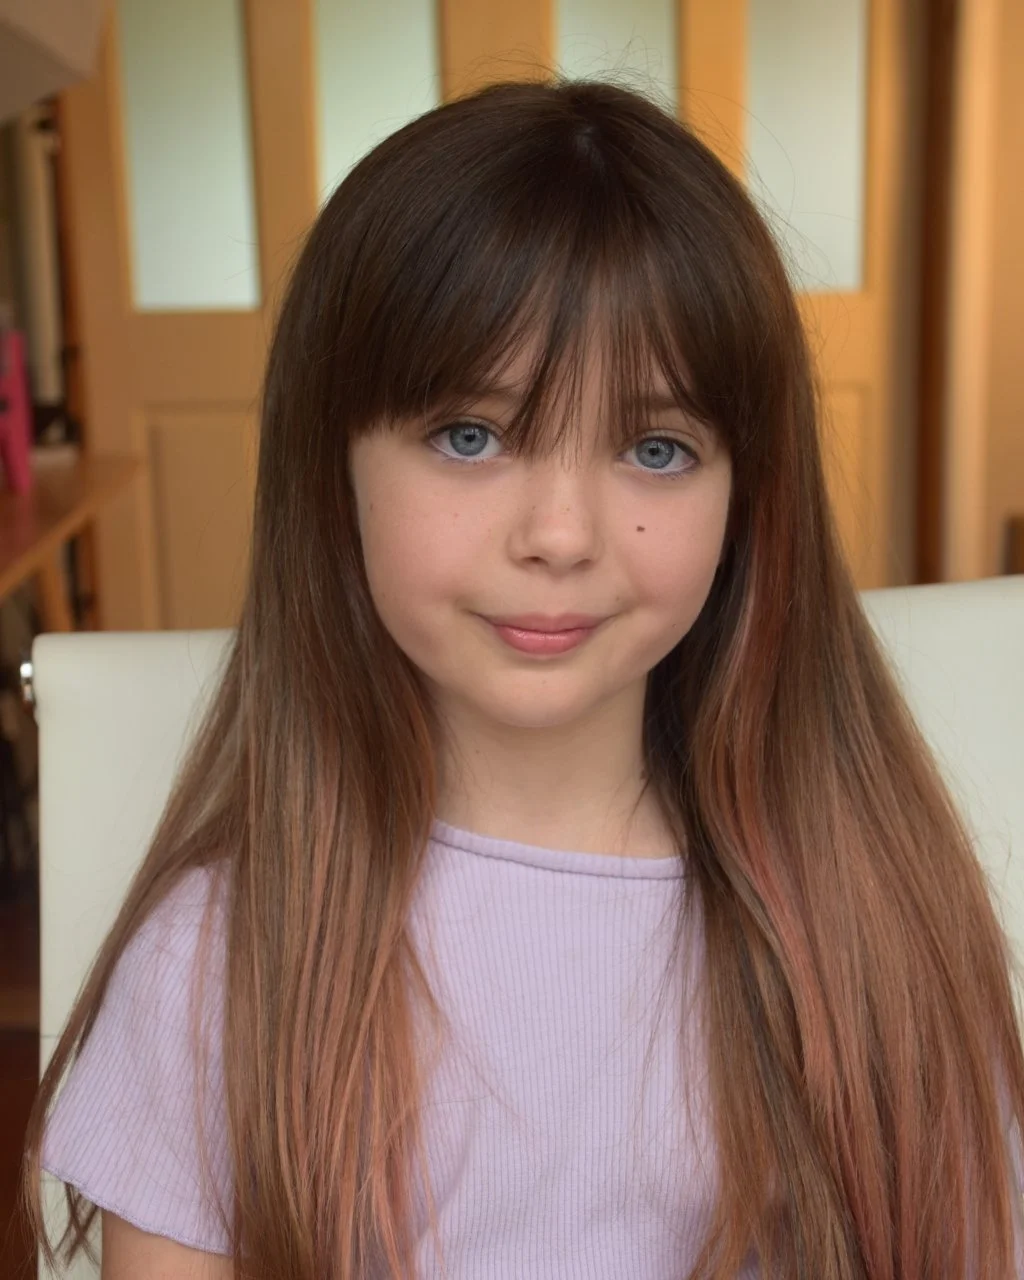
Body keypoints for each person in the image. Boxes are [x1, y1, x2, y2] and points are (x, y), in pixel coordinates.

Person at [21, 78, 1024, 1280]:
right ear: (330, 469)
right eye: (473, 435)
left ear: (744, 499)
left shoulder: (868, 912)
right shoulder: (220, 962)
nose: (559, 532)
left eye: (655, 449)